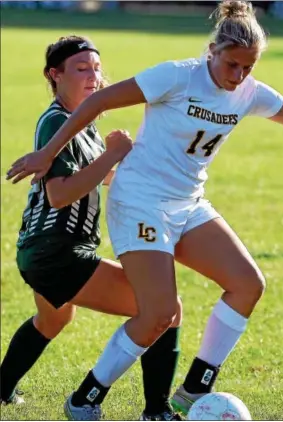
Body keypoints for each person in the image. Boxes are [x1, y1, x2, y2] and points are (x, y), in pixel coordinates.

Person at [6, 1, 283, 420]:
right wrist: (47, 153)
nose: (239, 76)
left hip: (188, 204)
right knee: (157, 313)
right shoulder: (176, 76)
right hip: (139, 201)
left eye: (248, 68)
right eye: (232, 65)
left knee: (247, 284)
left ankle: (193, 390)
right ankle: (86, 397)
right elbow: (99, 103)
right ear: (213, 51)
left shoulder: (248, 93)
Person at [1, 35, 183, 421]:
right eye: (81, 69)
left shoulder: (85, 124)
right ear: (55, 75)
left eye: (97, 69)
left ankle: (0, 389)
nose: (93, 76)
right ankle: (156, 411)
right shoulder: (55, 121)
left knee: (54, 318)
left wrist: (147, 178)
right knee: (163, 309)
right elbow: (59, 195)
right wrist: (113, 155)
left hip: (40, 250)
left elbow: (97, 177)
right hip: (58, 252)